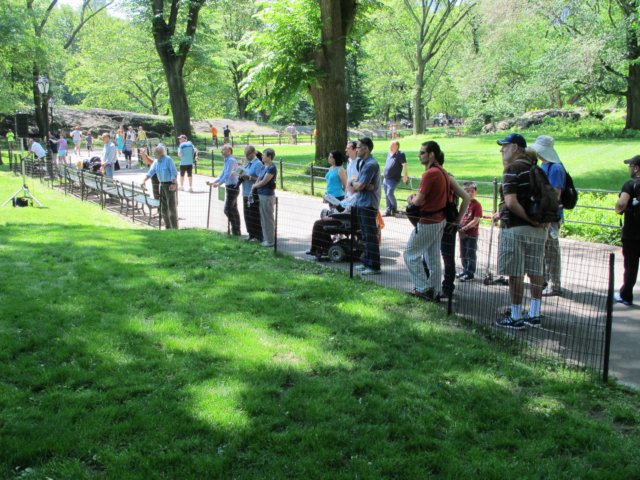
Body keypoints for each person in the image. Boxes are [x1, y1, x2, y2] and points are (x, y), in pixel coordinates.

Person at [494, 133, 547, 330]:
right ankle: (534, 313)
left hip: (516, 228)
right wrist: (538, 223)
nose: (502, 150)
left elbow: (511, 202)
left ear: (515, 147)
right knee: (535, 271)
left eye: (504, 146)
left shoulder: (512, 170)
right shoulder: (537, 170)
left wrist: (529, 219)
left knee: (515, 273)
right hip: (539, 231)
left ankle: (515, 316)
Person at [404, 141, 450, 301]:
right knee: (433, 258)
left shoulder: (430, 174)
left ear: (432, 154)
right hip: (440, 219)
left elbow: (418, 201)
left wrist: (411, 200)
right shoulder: (442, 172)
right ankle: (436, 290)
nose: (419, 155)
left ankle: (424, 288)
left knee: (410, 254)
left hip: (429, 221)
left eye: (422, 152)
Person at [530, 135, 565, 296]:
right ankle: (544, 280)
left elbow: (556, 193)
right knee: (543, 249)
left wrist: (548, 217)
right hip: (542, 214)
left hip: (550, 215)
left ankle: (555, 284)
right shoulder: (543, 166)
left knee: (551, 249)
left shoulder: (556, 168)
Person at [348, 137, 381, 275]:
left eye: (359, 146)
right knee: (365, 236)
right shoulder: (363, 163)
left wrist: (356, 184)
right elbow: (360, 184)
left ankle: (374, 266)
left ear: (366, 148)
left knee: (370, 235)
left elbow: (359, 185)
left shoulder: (370, 165)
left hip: (368, 204)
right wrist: (359, 184)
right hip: (362, 202)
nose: (356, 149)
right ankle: (367, 262)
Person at [614, 155, 640, 306]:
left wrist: (618, 210)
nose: (629, 168)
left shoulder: (630, 184)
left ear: (636, 167)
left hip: (632, 234)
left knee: (630, 266)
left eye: (630, 165)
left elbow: (621, 203)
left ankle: (626, 295)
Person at [141, 145, 178, 229]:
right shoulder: (156, 161)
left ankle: (175, 228)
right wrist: (144, 180)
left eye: (155, 153)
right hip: (162, 185)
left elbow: (174, 173)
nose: (154, 155)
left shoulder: (168, 160)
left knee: (171, 208)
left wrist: (174, 183)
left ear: (160, 153)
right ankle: (168, 227)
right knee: (163, 208)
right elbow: (151, 172)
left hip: (170, 184)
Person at [207, 144, 241, 236]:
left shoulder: (230, 160)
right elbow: (223, 174)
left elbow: (228, 174)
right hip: (230, 187)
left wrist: (219, 183)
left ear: (229, 151)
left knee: (227, 209)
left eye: (224, 150)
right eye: (222, 149)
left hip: (233, 187)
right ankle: (236, 230)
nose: (222, 151)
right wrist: (214, 181)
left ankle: (235, 230)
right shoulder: (227, 160)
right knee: (233, 209)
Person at [251, 147, 277, 247]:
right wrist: (256, 184)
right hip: (261, 194)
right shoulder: (264, 166)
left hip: (267, 195)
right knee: (263, 217)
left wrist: (254, 186)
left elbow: (264, 181)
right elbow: (259, 178)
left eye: (264, 155)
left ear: (269, 157)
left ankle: (270, 241)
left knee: (268, 218)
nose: (262, 156)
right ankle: (266, 239)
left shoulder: (271, 168)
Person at [458, 182, 482, 281]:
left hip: (471, 233)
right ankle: (465, 269)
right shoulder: (464, 203)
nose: (470, 193)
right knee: (463, 252)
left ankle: (470, 273)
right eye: (467, 191)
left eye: (472, 191)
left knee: (470, 253)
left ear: (475, 192)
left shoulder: (477, 205)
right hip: (462, 233)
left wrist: (466, 227)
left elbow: (476, 220)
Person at [240, 145, 264, 241]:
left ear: (254, 153)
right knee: (247, 215)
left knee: (253, 215)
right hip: (245, 192)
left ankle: (257, 236)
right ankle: (251, 234)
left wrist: (249, 177)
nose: (247, 156)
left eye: (249, 154)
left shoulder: (258, 164)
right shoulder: (248, 163)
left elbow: (260, 179)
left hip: (253, 193)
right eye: (246, 154)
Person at [383, 140, 408, 216]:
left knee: (389, 193)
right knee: (386, 194)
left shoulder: (400, 154)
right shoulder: (389, 154)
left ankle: (394, 209)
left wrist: (405, 175)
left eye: (392, 145)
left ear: (397, 146)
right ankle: (388, 210)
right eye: (390, 145)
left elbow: (404, 165)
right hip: (386, 178)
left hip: (393, 179)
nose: (390, 146)